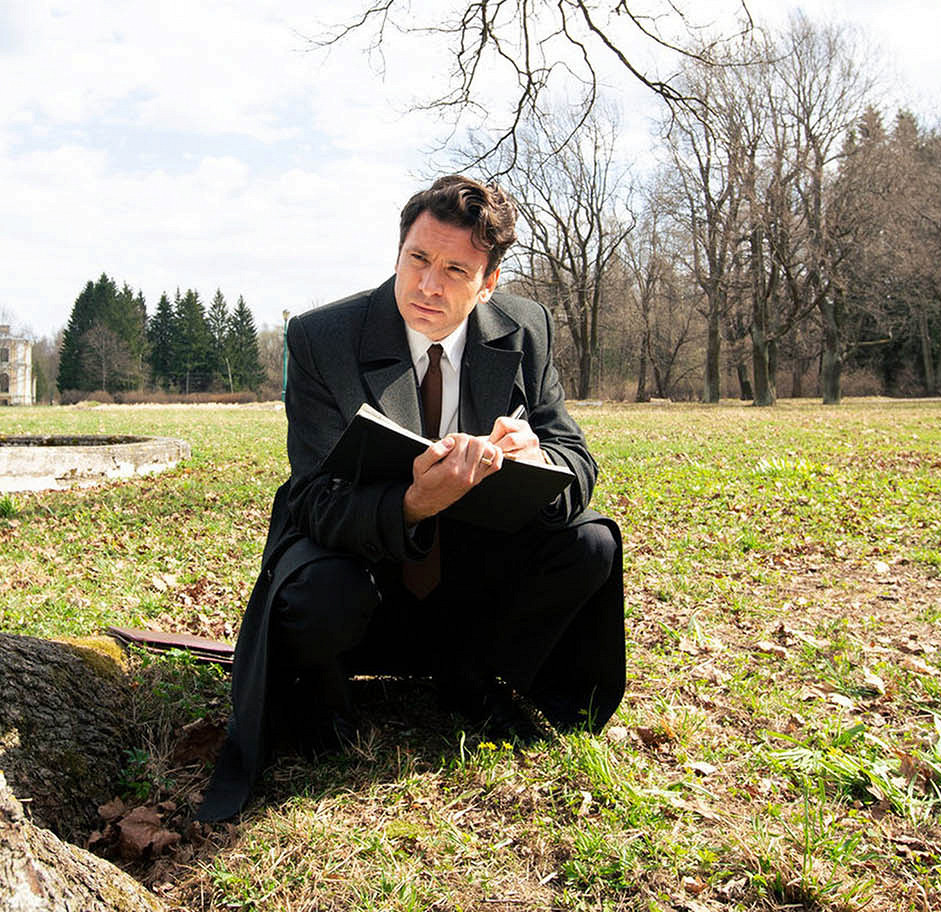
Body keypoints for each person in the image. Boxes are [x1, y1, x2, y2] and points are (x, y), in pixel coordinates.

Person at [196, 175, 626, 822]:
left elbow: (577, 459)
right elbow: (312, 498)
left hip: (476, 571)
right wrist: (412, 504)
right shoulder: (321, 338)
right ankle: (324, 695)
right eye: (417, 259)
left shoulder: (525, 328)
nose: (428, 285)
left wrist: (538, 460)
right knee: (315, 588)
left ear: (489, 283)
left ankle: (475, 676)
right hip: (361, 570)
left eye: (455, 270)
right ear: (398, 252)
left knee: (590, 542)